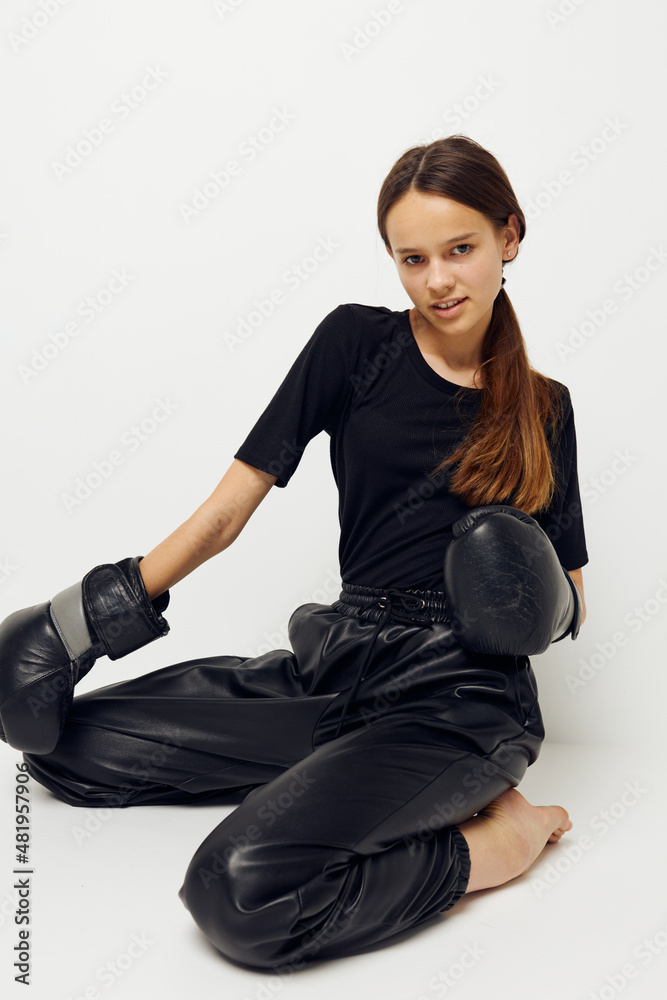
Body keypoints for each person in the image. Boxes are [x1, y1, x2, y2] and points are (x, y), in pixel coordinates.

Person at [0, 134, 588, 972]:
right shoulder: (355, 345)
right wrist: (77, 624)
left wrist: (531, 595)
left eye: (460, 249)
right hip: (338, 666)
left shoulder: (543, 408)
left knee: (239, 893)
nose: (437, 280)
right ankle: (344, 776)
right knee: (62, 748)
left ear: (509, 237)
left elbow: (569, 591)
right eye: (411, 258)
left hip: (456, 698)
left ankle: (500, 841)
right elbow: (225, 513)